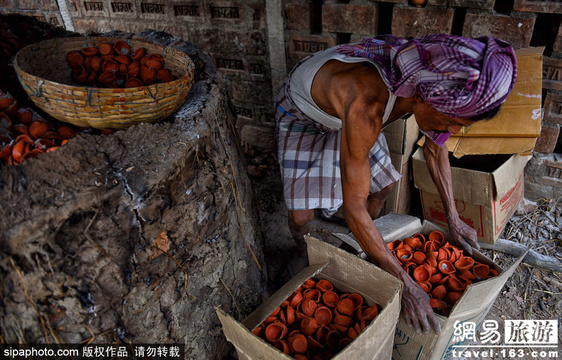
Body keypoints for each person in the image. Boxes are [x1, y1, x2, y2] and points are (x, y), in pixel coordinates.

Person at [275, 34, 517, 334]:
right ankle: (300, 247)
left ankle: (366, 243)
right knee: (301, 217)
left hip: (348, 115)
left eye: (461, 125)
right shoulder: (368, 104)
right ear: (424, 97)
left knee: (385, 186)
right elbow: (353, 207)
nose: (453, 130)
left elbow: (434, 148)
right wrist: (406, 284)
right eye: (453, 121)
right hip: (306, 115)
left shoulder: (426, 77)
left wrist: (454, 219)